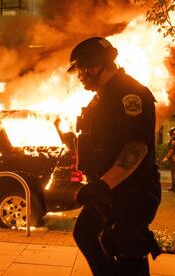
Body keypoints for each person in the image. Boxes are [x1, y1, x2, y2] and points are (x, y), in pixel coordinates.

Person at [68, 37, 161, 275]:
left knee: (129, 252)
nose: (79, 76)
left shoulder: (130, 94)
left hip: (132, 192)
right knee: (87, 233)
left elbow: (136, 147)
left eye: (80, 69)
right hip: (110, 192)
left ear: (95, 65)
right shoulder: (102, 96)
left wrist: (102, 185)